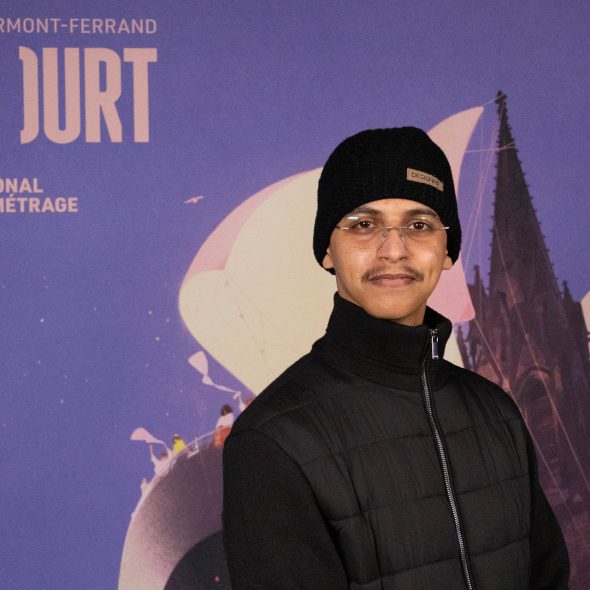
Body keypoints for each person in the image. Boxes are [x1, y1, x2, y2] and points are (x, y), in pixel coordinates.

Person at [222, 128, 570, 589]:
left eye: (419, 225)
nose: (393, 249)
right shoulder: (272, 441)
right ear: (327, 250)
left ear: (447, 251)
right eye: (364, 225)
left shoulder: (496, 411)